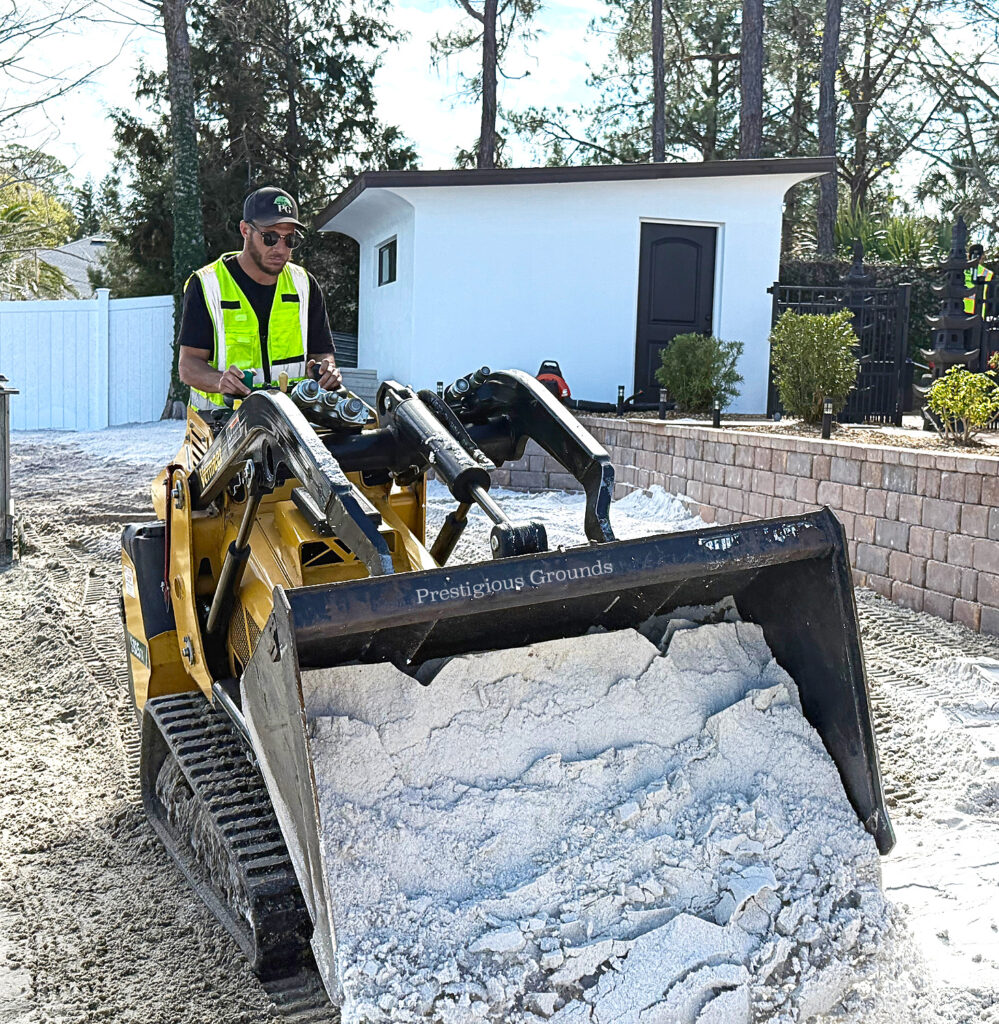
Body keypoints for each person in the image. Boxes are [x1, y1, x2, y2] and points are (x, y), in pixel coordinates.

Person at [178, 186, 341, 410]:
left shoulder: (305, 284)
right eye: (270, 237)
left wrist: (327, 370)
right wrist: (219, 381)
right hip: (222, 424)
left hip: (291, 419)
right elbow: (188, 365)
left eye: (290, 240)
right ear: (245, 230)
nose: (281, 248)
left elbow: (323, 353)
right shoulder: (207, 285)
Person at [964, 243, 994, 316]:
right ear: (982, 255)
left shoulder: (960, 270)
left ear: (969, 255)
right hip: (978, 312)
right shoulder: (987, 273)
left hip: (960, 311)